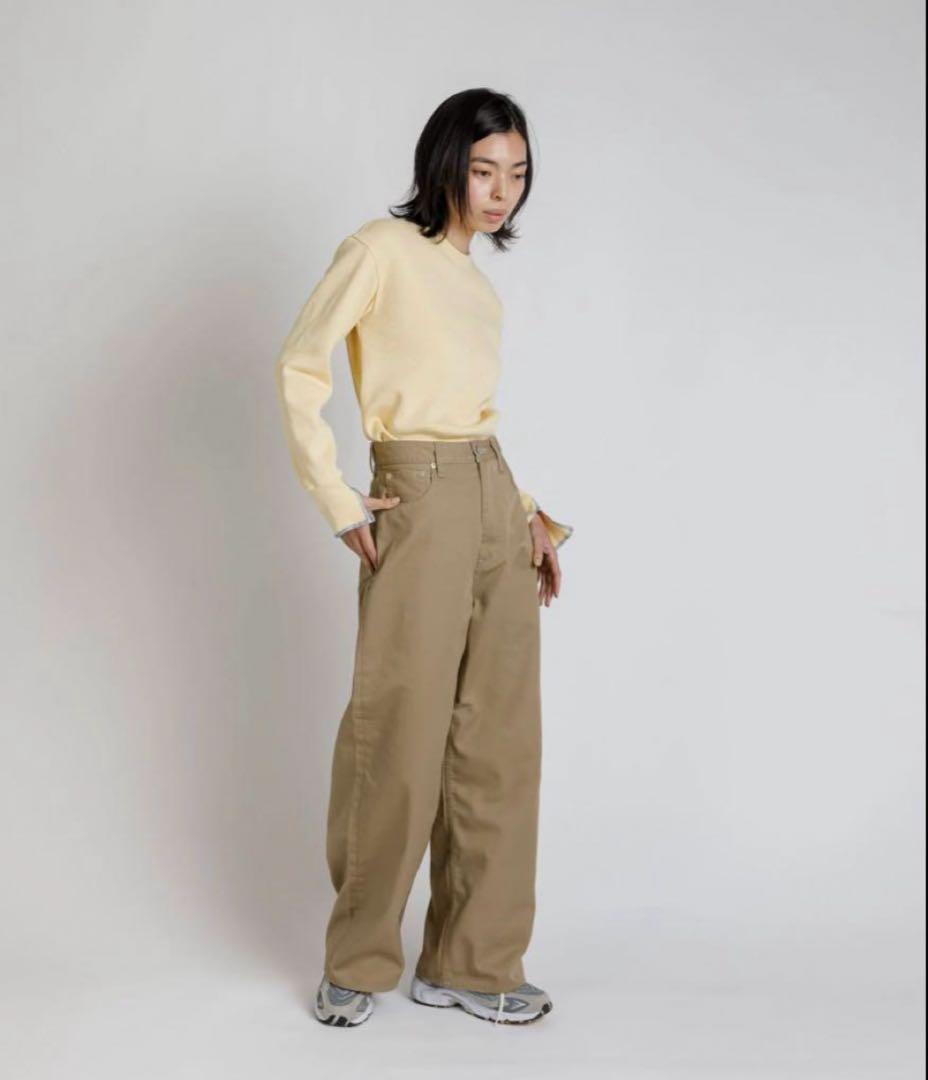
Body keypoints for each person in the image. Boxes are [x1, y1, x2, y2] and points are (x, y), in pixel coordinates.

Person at [274, 88, 573, 1027]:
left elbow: (471, 420)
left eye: (516, 174)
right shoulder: (379, 250)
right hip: (418, 497)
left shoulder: (478, 286)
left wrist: (526, 516)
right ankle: (357, 961)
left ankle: (473, 963)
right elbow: (299, 364)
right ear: (446, 163)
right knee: (397, 734)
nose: (500, 191)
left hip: (492, 496)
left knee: (499, 746)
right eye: (484, 170)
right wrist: (336, 497)